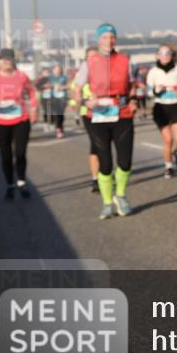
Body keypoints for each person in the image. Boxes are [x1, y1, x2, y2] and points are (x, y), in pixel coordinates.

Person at [72, 24, 138, 219]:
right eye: (104, 37)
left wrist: (133, 101)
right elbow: (76, 90)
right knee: (106, 162)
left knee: (125, 161)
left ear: (115, 40)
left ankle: (121, 195)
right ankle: (108, 203)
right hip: (98, 116)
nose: (108, 41)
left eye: (112, 37)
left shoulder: (126, 61)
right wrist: (85, 101)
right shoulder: (89, 63)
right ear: (98, 40)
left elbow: (133, 86)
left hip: (122, 113)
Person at [0, 49, 37, 199]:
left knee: (21, 153)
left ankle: (21, 182)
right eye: (3, 59)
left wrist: (34, 108)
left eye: (9, 59)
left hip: (21, 119)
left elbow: (31, 92)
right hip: (0, 122)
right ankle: (10, 184)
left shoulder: (22, 76)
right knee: (6, 155)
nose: (6, 61)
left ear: (13, 60)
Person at [147, 44, 177, 179]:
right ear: (157, 55)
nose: (165, 56)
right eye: (162, 53)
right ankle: (168, 167)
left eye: (167, 53)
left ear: (172, 55)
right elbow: (148, 91)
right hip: (160, 107)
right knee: (168, 139)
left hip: (176, 106)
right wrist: (156, 91)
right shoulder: (153, 72)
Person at [73, 47, 101, 193]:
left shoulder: (105, 71)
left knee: (106, 143)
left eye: (95, 57)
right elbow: (76, 94)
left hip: (106, 112)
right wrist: (85, 102)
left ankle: (105, 172)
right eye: (89, 57)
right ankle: (95, 178)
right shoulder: (82, 74)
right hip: (88, 112)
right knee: (96, 144)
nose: (92, 60)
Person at [49, 64, 69, 138]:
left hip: (62, 98)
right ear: (53, 70)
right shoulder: (50, 77)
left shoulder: (64, 77)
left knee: (61, 114)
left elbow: (69, 85)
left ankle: (60, 127)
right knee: (56, 114)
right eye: (56, 69)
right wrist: (51, 87)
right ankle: (58, 129)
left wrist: (62, 87)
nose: (58, 71)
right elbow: (44, 85)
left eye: (59, 70)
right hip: (53, 98)